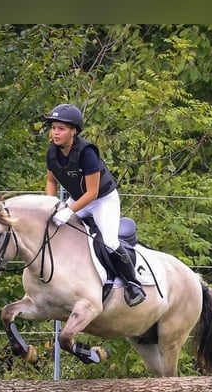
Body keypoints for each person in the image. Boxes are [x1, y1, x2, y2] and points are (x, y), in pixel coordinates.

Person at [44, 103, 146, 307]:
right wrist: (52, 205)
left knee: (109, 241)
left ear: (74, 131)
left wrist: (69, 211)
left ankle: (133, 284)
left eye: (61, 128)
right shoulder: (52, 152)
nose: (55, 133)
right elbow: (51, 181)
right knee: (54, 230)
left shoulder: (87, 152)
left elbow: (92, 193)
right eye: (53, 127)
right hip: (78, 199)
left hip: (102, 200)